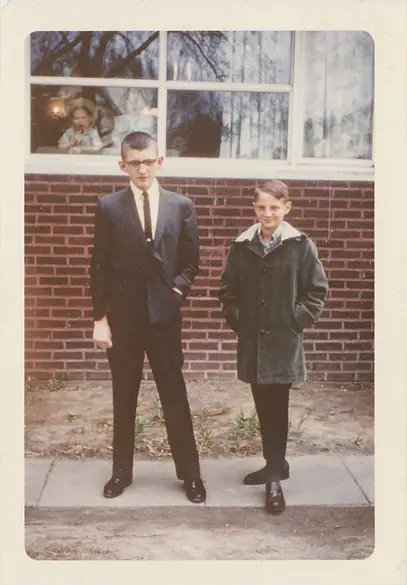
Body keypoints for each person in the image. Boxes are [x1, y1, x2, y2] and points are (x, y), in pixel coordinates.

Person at [90, 131, 206, 504]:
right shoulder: (108, 207)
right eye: (134, 161)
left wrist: (176, 293)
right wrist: (99, 318)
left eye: (148, 160)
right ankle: (121, 473)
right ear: (122, 165)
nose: (142, 168)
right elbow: (99, 267)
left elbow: (190, 262)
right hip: (123, 321)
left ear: (160, 162)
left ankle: (191, 475)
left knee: (174, 395)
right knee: (124, 396)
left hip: (164, 320)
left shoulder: (180, 206)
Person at [218, 180, 328, 515]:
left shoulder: (299, 245)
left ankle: (275, 479)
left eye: (275, 208)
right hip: (253, 343)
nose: (268, 214)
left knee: (277, 406)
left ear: (287, 208)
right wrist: (239, 320)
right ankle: (274, 465)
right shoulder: (242, 246)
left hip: (282, 343)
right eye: (262, 207)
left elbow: (316, 290)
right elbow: (227, 290)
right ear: (255, 209)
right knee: (263, 406)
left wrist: (296, 320)